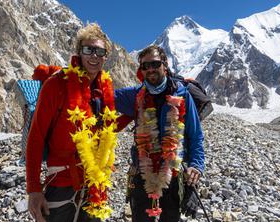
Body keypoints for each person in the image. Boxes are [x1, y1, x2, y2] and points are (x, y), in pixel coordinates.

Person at [26, 23, 118, 222]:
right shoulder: (56, 84)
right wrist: (34, 189)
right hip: (61, 184)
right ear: (79, 52)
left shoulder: (104, 91)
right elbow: (36, 137)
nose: (94, 56)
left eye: (100, 51)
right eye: (88, 49)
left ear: (106, 56)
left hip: (96, 183)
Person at [115, 45, 205, 221]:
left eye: (155, 64)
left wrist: (196, 165)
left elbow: (195, 135)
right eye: (145, 66)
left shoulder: (182, 95)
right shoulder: (135, 95)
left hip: (172, 173)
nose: (150, 70)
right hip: (142, 172)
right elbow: (102, 96)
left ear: (165, 64)